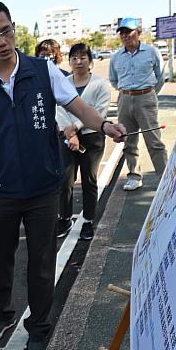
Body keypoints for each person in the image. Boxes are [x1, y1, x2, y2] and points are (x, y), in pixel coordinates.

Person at [0, 1, 126, 350]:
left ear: (14, 28)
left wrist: (104, 125)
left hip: (43, 188)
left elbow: (78, 106)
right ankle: (3, 315)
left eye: (6, 31)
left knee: (41, 262)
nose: (2, 41)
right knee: (1, 259)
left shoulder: (43, 71)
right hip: (1, 190)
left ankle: (39, 326)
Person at [56, 43, 112, 240]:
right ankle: (64, 217)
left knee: (89, 180)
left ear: (90, 61)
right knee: (65, 179)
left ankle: (88, 220)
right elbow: (59, 109)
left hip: (91, 137)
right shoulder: (63, 83)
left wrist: (76, 128)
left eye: (82, 57)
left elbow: (99, 111)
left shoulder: (100, 84)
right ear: (69, 61)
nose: (78, 62)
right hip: (66, 137)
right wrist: (69, 133)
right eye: (74, 58)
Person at [108, 17, 168, 191]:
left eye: (129, 32)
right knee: (128, 140)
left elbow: (160, 77)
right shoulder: (116, 57)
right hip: (124, 99)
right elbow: (113, 80)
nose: (126, 36)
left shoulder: (151, 52)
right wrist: (127, 93)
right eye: (123, 33)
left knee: (154, 141)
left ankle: (164, 178)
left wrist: (148, 94)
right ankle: (134, 176)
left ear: (139, 32)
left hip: (146, 97)